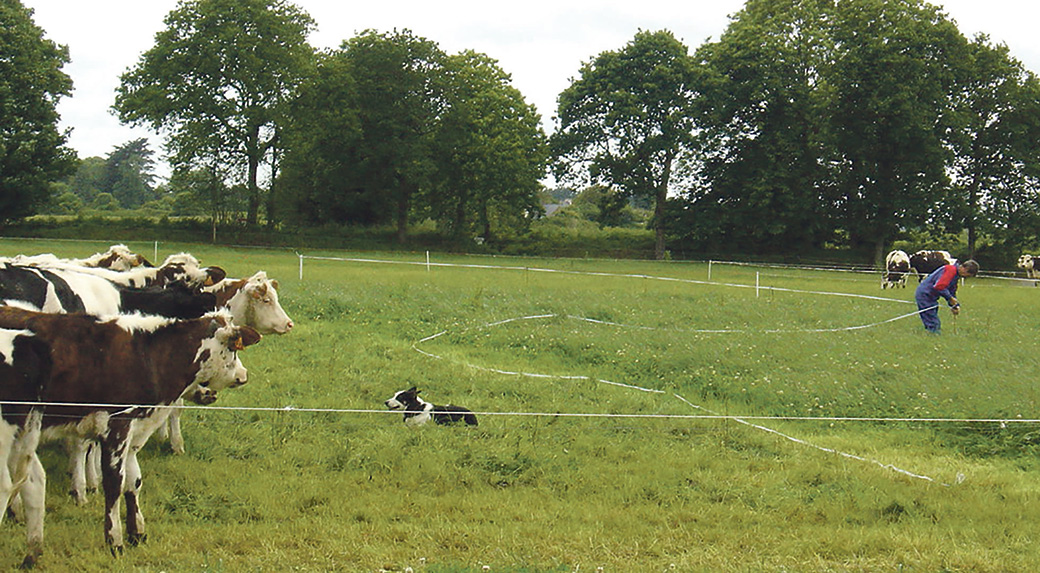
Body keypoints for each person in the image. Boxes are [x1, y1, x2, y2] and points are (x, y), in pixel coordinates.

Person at [915, 259, 979, 333]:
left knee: (932, 317)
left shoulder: (955, 275)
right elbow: (939, 286)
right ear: (964, 269)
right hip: (925, 294)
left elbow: (952, 291)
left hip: (932, 296)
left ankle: (931, 334)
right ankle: (933, 336)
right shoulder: (950, 270)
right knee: (932, 321)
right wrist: (950, 298)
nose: (965, 277)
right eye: (967, 275)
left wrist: (955, 306)